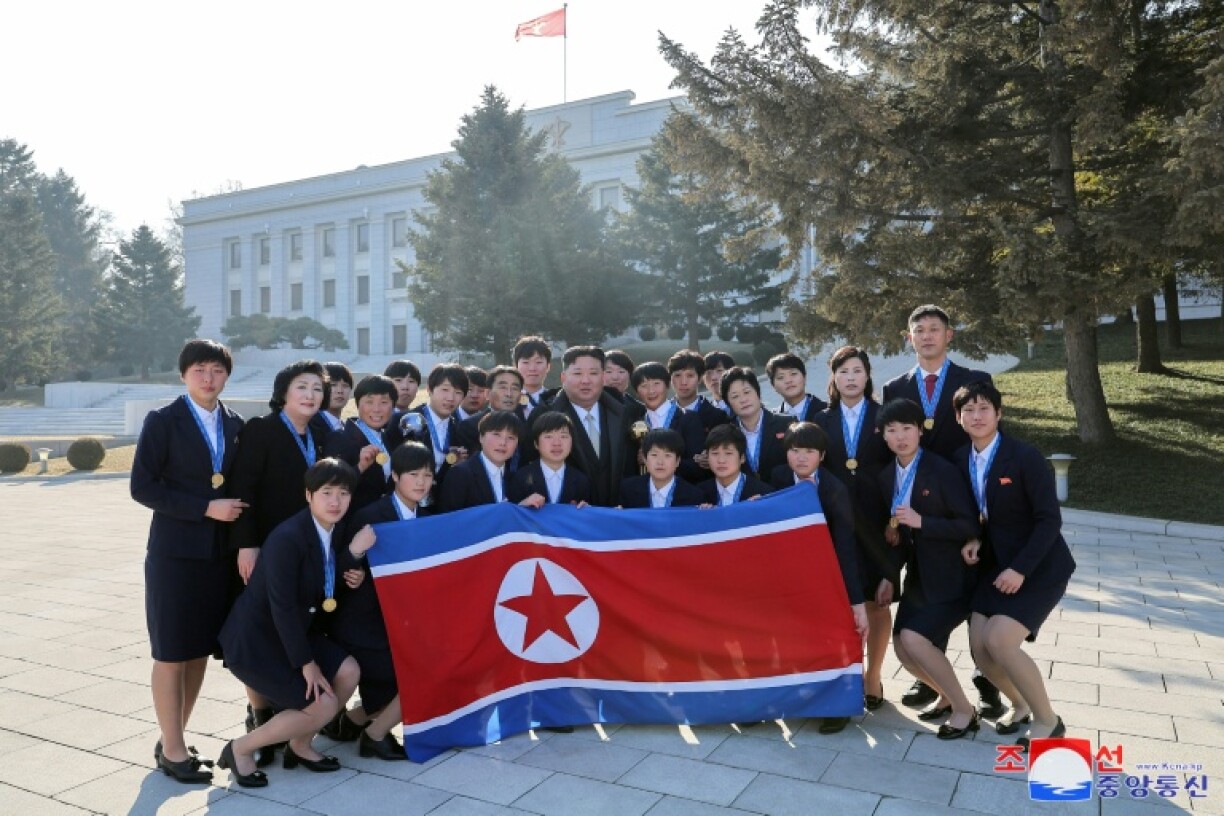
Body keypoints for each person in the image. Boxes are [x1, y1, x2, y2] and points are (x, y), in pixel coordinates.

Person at [132, 339, 246, 784]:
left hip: (218, 556)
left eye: (217, 370)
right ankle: (174, 751)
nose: (208, 378)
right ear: (183, 374)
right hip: (175, 554)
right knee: (171, 652)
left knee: (197, 650)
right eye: (199, 369)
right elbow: (143, 487)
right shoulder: (163, 421)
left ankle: (173, 737)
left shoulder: (236, 424)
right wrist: (205, 507)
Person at [216, 459, 371, 786]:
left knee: (349, 672)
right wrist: (307, 663)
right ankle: (239, 749)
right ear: (308, 495)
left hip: (296, 630)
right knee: (323, 704)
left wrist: (351, 565)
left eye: (343, 493)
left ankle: (299, 745)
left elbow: (323, 582)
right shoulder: (288, 537)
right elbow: (282, 606)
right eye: (326, 492)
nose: (335, 501)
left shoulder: (335, 530)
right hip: (258, 639)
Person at [881, 304, 999, 713]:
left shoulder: (974, 380)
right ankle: (932, 680)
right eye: (919, 330)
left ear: (949, 335)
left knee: (975, 589)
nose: (927, 335)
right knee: (932, 583)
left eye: (935, 329)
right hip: (920, 511)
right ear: (908, 336)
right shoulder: (896, 386)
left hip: (967, 498)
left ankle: (988, 679)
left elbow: (988, 437)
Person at [954, 382, 1074, 748]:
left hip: (1039, 565)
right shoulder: (960, 459)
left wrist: (1020, 569)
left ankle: (1047, 721)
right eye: (969, 410)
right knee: (980, 648)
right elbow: (974, 513)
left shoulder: (1024, 456)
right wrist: (972, 539)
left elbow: (1049, 520)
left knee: (1000, 642)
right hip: (994, 565)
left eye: (984, 408)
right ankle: (1020, 705)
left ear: (999, 414)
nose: (977, 416)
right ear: (959, 418)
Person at [226, 360, 330, 765]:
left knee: (295, 626)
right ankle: (260, 715)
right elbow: (244, 487)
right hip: (266, 548)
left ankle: (290, 725)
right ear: (283, 392)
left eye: (317, 389)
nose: (310, 395)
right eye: (302, 387)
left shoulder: (320, 432)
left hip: (307, 549)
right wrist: (247, 544)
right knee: (262, 631)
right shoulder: (263, 430)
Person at [322, 442, 437, 760]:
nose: (420, 482)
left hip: (406, 622)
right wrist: (356, 571)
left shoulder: (429, 517)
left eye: (427, 475)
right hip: (366, 625)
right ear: (395, 476)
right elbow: (341, 563)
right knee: (412, 679)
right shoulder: (371, 514)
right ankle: (374, 735)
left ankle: (351, 723)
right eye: (413, 474)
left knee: (427, 670)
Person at [875, 398, 981, 740]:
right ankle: (947, 698)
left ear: (921, 431)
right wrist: (889, 577)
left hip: (952, 575)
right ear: (884, 436)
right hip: (918, 576)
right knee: (902, 648)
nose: (901, 436)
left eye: (908, 428)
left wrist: (923, 522)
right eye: (892, 430)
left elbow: (969, 525)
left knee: (914, 640)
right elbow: (896, 537)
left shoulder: (942, 470)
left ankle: (965, 709)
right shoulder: (886, 476)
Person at [768, 421, 869, 733]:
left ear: (822, 456)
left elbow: (846, 546)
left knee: (831, 640)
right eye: (795, 451)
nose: (800, 458)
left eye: (809, 452)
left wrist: (855, 601)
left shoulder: (834, 489)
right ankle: (802, 697)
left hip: (827, 575)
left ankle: (837, 707)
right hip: (786, 574)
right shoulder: (778, 478)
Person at [816, 346, 896, 711]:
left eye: (857, 371)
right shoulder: (820, 419)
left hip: (878, 520)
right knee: (840, 601)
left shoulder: (885, 416)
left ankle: (873, 675)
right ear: (833, 377)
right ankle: (848, 673)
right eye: (843, 371)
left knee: (876, 601)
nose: (851, 377)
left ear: (867, 376)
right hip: (834, 523)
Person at [532, 346, 631, 506]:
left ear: (603, 376)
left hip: (617, 516)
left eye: (593, 373)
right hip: (569, 518)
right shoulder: (543, 415)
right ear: (563, 377)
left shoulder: (624, 412)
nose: (586, 381)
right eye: (577, 373)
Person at [323, 375, 401, 512]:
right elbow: (330, 486)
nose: (376, 409)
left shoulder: (389, 437)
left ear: (393, 406)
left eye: (384, 402)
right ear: (357, 404)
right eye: (369, 402)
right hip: (355, 522)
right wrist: (360, 467)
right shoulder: (339, 438)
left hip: (387, 518)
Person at [627, 362, 707, 483]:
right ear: (637, 392)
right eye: (644, 386)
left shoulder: (688, 419)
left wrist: (655, 462)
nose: (651, 391)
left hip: (680, 493)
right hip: (644, 494)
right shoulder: (635, 422)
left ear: (667, 385)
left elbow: (697, 465)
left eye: (656, 384)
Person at [437, 410, 531, 512]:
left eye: (511, 438)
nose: (503, 443)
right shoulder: (460, 474)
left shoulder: (513, 478)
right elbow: (450, 520)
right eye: (496, 435)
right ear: (481, 437)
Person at [720, 366, 793, 482]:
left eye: (747, 392)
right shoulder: (725, 434)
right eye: (735, 396)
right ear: (728, 403)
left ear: (757, 392)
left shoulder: (787, 424)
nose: (743, 400)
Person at [408, 363, 469, 499]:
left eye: (458, 393)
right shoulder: (408, 420)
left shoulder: (460, 429)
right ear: (429, 389)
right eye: (445, 390)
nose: (450, 398)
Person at [508, 411, 592, 505]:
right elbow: (512, 514)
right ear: (536, 443)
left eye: (563, 436)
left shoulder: (581, 480)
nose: (557, 443)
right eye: (548, 437)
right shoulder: (521, 478)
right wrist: (522, 505)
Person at [455, 365, 529, 465]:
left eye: (515, 388)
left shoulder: (526, 425)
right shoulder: (470, 426)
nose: (509, 394)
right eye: (503, 387)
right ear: (488, 393)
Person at [619, 428, 704, 508]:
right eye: (654, 455)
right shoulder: (628, 489)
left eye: (667, 455)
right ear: (645, 459)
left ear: (677, 461)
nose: (660, 462)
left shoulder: (694, 495)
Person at [697, 424, 773, 506]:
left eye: (728, 453)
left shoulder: (764, 494)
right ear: (707, 456)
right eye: (715, 453)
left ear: (742, 458)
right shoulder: (698, 493)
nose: (721, 460)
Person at [668, 350, 730, 434]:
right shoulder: (663, 411)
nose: (683, 382)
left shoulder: (717, 416)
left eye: (690, 375)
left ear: (700, 378)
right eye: (677, 375)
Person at [766, 352, 828, 422]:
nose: (788, 380)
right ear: (773, 386)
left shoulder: (827, 411)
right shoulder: (771, 420)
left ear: (804, 377)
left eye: (793, 374)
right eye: (781, 377)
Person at [513, 335, 557, 419]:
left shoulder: (557, 401)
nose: (532, 368)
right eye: (526, 362)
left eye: (539, 362)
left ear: (548, 366)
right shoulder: (508, 401)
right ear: (516, 366)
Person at [310, 362, 352, 435]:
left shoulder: (347, 429)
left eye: (345, 385)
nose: (340, 391)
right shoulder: (310, 425)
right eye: (333, 385)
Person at [701, 350, 736, 415]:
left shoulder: (745, 406)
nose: (713, 377)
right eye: (708, 372)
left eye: (719, 371)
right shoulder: (703, 415)